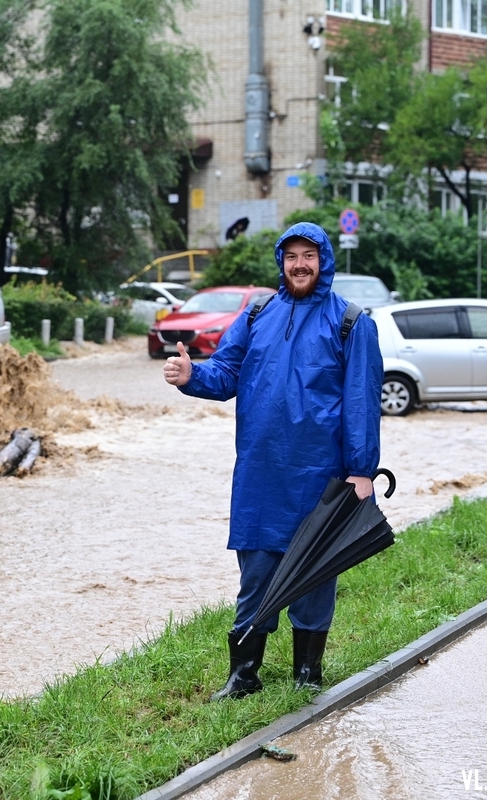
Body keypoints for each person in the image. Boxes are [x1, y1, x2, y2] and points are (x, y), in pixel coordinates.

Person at [162, 222, 383, 699]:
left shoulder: (351, 322)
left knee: (314, 574)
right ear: (281, 262)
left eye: (309, 255)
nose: (300, 264)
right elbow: (224, 373)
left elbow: (362, 402)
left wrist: (362, 470)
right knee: (256, 572)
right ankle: (244, 674)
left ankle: (308, 672)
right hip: (260, 474)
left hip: (321, 477)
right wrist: (189, 375)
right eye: (291, 256)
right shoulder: (258, 313)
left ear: (324, 260)